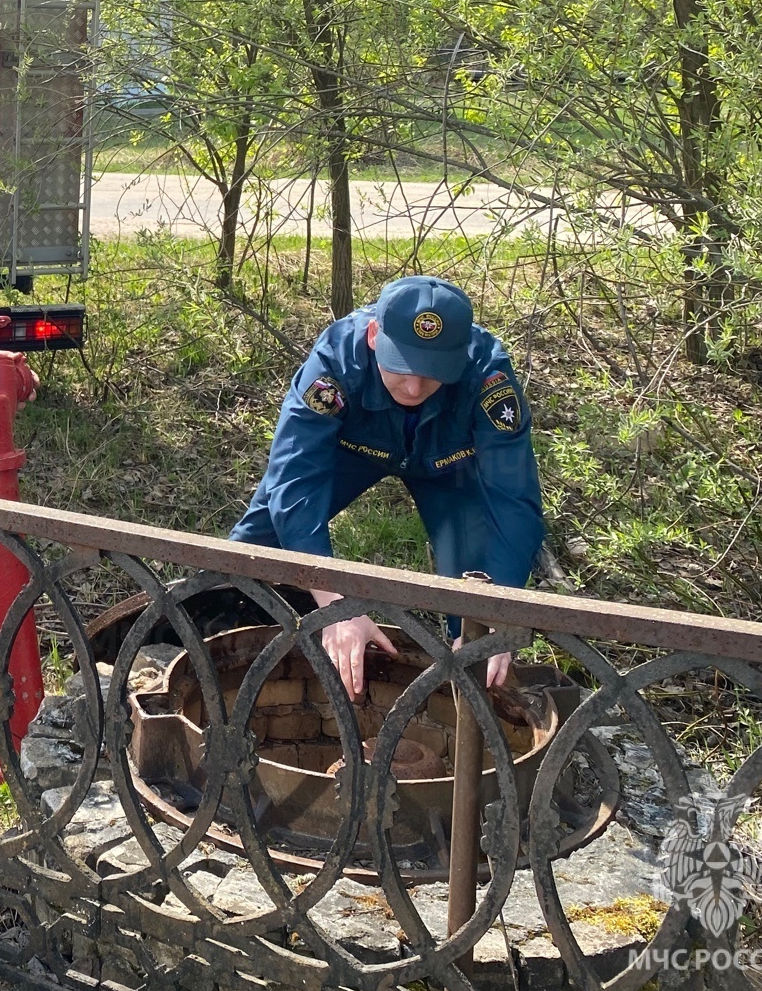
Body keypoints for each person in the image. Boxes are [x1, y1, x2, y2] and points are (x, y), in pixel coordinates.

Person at [231, 275, 544, 697]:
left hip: (447, 462)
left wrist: (498, 616)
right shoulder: (335, 364)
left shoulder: (487, 376)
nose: (414, 387)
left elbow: (513, 501)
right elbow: (294, 481)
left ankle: (474, 676)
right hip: (354, 447)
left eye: (433, 373)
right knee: (261, 540)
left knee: (479, 596)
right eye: (402, 365)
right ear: (375, 335)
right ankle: (225, 638)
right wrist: (336, 603)